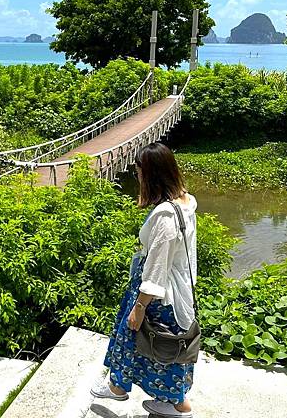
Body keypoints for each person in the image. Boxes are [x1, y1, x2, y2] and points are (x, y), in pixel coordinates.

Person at [91, 142, 198, 418]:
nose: (136, 176)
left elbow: (157, 267)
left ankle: (168, 403)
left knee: (150, 340)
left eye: (138, 171)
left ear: (149, 174)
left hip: (159, 294)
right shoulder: (184, 203)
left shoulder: (165, 217)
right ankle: (134, 390)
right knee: (164, 347)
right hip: (177, 288)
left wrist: (140, 306)